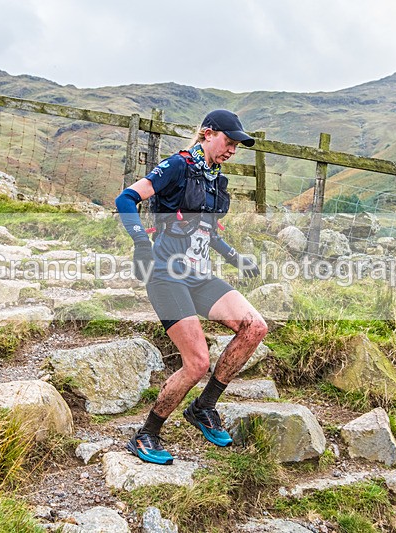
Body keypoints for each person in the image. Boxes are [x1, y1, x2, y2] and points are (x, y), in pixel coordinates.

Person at [114, 109, 268, 465]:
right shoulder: (178, 166)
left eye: (236, 145)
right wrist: (140, 244)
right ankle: (147, 434)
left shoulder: (214, 179)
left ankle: (203, 407)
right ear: (207, 134)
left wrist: (235, 258)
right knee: (197, 363)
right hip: (166, 276)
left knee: (254, 327)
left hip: (199, 275)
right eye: (228, 141)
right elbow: (126, 200)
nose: (232, 149)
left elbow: (207, 233)